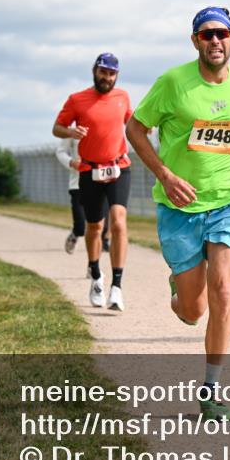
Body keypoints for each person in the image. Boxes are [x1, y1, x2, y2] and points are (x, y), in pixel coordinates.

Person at [127, 6, 230, 421]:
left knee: (225, 290)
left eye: (222, 34)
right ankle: (179, 287)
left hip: (229, 202)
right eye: (207, 34)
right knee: (192, 311)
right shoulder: (173, 83)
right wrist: (164, 172)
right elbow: (135, 128)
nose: (215, 41)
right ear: (194, 40)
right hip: (179, 209)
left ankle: (211, 389)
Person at [53, 53, 132, 312]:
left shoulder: (122, 97)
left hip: (118, 166)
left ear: (116, 76)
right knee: (95, 227)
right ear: (94, 71)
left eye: (111, 74)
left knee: (118, 221)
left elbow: (131, 122)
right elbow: (57, 127)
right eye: (103, 72)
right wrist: (71, 131)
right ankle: (97, 276)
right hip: (90, 171)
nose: (107, 77)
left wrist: (148, 127)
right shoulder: (77, 100)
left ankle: (117, 287)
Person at [57, 133, 110, 256]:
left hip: (101, 182)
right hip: (78, 184)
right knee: (81, 226)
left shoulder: (105, 126)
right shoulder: (75, 130)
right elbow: (60, 151)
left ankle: (95, 262)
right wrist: (71, 162)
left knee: (102, 226)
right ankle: (75, 234)